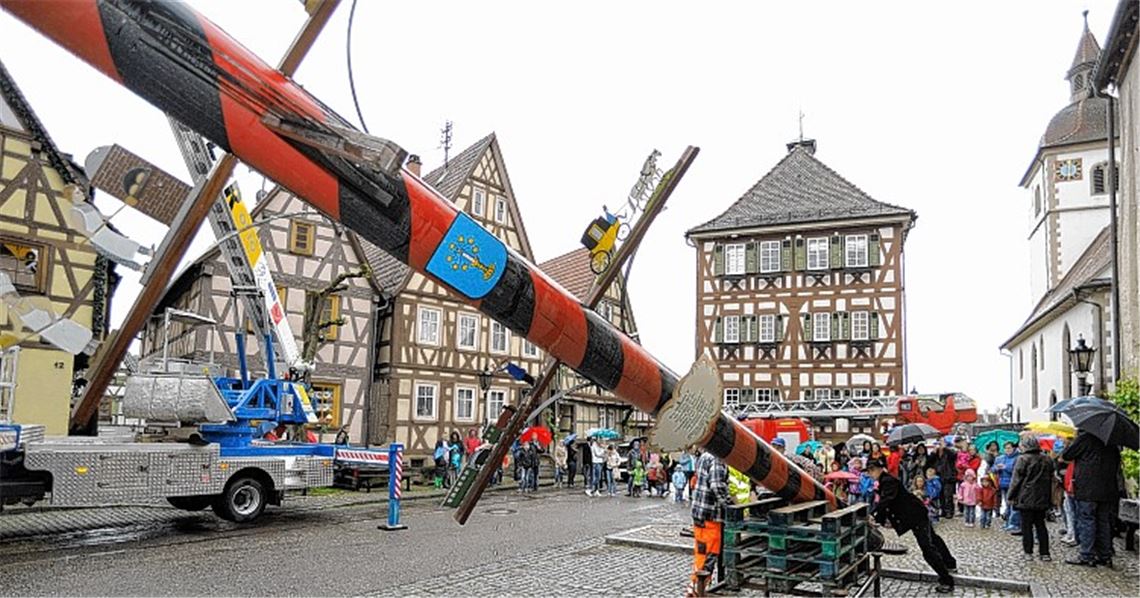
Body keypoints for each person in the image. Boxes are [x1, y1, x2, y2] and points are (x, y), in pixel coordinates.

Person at [866, 458, 957, 593]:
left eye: (871, 471)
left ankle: (946, 580)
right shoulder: (884, 481)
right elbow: (888, 503)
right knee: (934, 538)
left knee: (927, 547)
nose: (870, 474)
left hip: (915, 516)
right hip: (915, 514)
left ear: (878, 469)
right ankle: (950, 563)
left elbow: (887, 500)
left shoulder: (888, 481)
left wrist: (873, 515)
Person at [1061, 430, 1123, 567]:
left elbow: (1067, 455)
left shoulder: (1085, 438)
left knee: (1087, 520)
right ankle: (1105, 555)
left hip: (1088, 488)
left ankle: (1087, 555)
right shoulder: (1112, 442)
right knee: (1103, 521)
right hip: (1107, 489)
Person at [689, 449, 730, 594]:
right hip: (710, 515)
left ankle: (695, 589)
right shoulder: (718, 458)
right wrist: (729, 505)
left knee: (701, 553)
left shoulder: (705, 456)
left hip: (699, 513)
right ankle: (696, 591)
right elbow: (717, 485)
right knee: (709, 555)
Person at [1008, 433, 1053, 561]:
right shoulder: (1046, 459)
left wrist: (1011, 496)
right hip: (1043, 496)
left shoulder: (1022, 459)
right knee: (1041, 525)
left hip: (1026, 496)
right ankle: (1045, 553)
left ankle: (1028, 552)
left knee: (1026, 526)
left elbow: (1016, 480)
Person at [994, 441, 1021, 533]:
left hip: (1013, 484)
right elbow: (992, 469)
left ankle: (1014, 524)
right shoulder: (1000, 458)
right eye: (1006, 448)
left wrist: (1005, 467)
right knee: (1007, 504)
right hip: (1003, 484)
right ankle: (1008, 523)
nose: (1007, 450)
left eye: (1009, 448)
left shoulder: (1018, 458)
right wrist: (997, 468)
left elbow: (1017, 470)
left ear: (1013, 448)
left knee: (1013, 505)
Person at [931, 440, 959, 519]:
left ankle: (949, 511)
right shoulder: (936, 454)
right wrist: (933, 453)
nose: (939, 446)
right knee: (941, 495)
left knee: (948, 495)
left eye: (941, 444)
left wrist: (945, 448)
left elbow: (954, 456)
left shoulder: (949, 452)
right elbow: (930, 461)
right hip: (938, 476)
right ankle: (943, 511)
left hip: (948, 477)